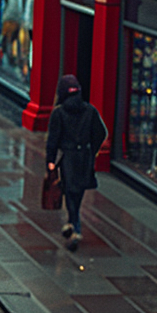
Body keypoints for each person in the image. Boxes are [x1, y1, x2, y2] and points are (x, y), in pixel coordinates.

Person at [46, 74, 109, 251]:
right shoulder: (89, 111)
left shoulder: (59, 113)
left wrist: (50, 161)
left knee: (69, 191)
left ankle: (74, 227)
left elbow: (53, 139)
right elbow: (101, 133)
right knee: (77, 192)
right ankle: (72, 223)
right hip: (84, 157)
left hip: (67, 157)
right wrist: (92, 149)